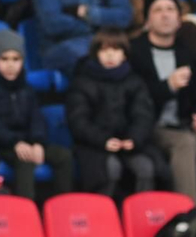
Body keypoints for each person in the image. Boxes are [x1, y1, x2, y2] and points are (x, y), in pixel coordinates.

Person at [128, 0, 196, 202]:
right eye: (158, 10)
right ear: (147, 20)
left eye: (170, 10)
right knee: (185, 142)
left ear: (180, 20)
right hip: (148, 126)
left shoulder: (187, 52)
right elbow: (132, 98)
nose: (165, 15)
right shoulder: (135, 52)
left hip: (181, 123)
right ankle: (190, 211)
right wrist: (167, 86)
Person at [0, 27, 75, 201]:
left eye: (16, 59)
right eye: (4, 59)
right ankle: (26, 213)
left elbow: (36, 117)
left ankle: (63, 210)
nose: (10, 65)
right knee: (25, 160)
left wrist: (38, 142)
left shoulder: (25, 86)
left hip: (26, 141)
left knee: (63, 156)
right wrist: (15, 143)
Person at [65, 29, 165, 197]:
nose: (110, 55)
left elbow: (143, 115)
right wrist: (103, 140)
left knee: (145, 167)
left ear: (124, 54)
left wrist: (134, 139)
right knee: (110, 169)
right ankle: (103, 215)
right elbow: (78, 121)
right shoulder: (82, 82)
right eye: (104, 50)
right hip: (94, 145)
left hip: (129, 143)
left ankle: (142, 215)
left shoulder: (135, 81)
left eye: (116, 49)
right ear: (95, 54)